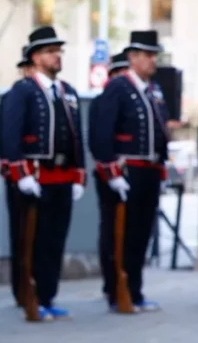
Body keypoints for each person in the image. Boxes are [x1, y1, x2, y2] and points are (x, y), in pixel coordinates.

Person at [0, 26, 85, 321]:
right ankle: (28, 296)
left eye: (58, 51)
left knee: (54, 240)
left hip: (62, 177)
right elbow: (9, 137)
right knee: (30, 240)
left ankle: (48, 296)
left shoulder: (68, 92)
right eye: (50, 51)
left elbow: (77, 138)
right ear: (35, 57)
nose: (57, 56)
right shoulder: (21, 91)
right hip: (33, 178)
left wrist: (79, 175)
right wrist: (21, 173)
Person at [92, 30, 168, 313]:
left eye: (154, 55)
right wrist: (112, 173)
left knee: (141, 233)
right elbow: (102, 134)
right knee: (118, 234)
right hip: (125, 172)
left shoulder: (152, 90)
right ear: (133, 58)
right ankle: (116, 291)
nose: (152, 61)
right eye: (148, 55)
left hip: (148, 170)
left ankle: (134, 290)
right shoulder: (118, 87)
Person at [0, 44, 36, 308]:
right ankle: (21, 290)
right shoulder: (16, 95)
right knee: (21, 236)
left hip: (44, 177)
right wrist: (21, 174)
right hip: (20, 176)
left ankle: (35, 292)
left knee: (39, 239)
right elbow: (8, 139)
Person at [88, 50, 128, 300]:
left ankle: (126, 284)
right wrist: (113, 173)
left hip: (129, 173)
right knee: (112, 230)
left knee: (129, 233)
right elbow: (100, 142)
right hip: (110, 174)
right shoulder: (104, 100)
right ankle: (112, 286)